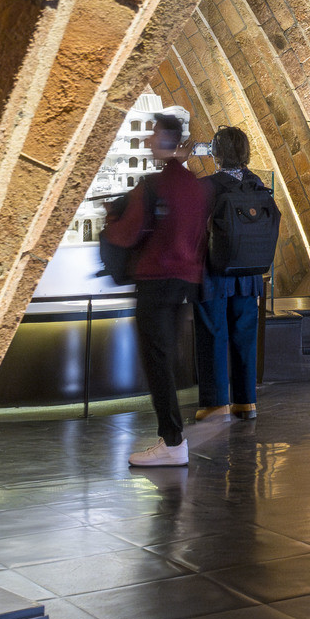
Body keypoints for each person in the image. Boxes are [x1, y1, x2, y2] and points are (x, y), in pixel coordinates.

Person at [102, 111, 210, 467]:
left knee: (156, 361)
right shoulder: (194, 185)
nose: (148, 141)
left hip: (155, 281)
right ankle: (172, 440)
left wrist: (111, 218)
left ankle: (173, 441)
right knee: (166, 358)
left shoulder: (154, 185)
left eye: (152, 134)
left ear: (166, 140)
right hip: (184, 282)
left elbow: (127, 232)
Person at [193, 126, 271, 422]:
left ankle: (215, 404)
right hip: (249, 275)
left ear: (217, 154)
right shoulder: (257, 182)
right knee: (244, 336)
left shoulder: (208, 186)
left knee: (213, 334)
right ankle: (245, 402)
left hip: (214, 274)